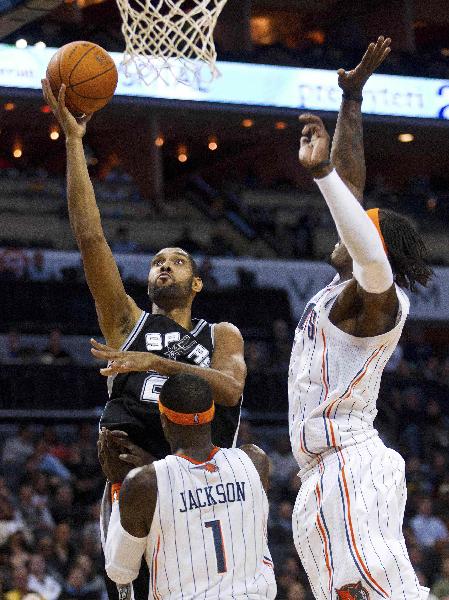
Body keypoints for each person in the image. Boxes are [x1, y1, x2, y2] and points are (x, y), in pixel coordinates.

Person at [41, 79, 246, 600]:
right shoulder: (125, 321)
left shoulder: (220, 333)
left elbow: (230, 391)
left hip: (203, 496)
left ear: (196, 283)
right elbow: (90, 238)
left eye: (177, 262)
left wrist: (156, 362)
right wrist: (73, 143)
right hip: (130, 492)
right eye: (157, 262)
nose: (164, 267)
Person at [289, 38, 434, 600]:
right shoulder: (342, 290)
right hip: (320, 475)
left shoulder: (376, 299)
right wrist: (351, 100)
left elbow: (365, 243)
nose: (340, 228)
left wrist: (323, 175)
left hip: (350, 467)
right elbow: (349, 186)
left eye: (355, 225)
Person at [103, 373, 277, 599]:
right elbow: (208, 488)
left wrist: (118, 484)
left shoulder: (143, 485)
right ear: (212, 413)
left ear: (163, 420)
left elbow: (120, 571)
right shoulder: (255, 461)